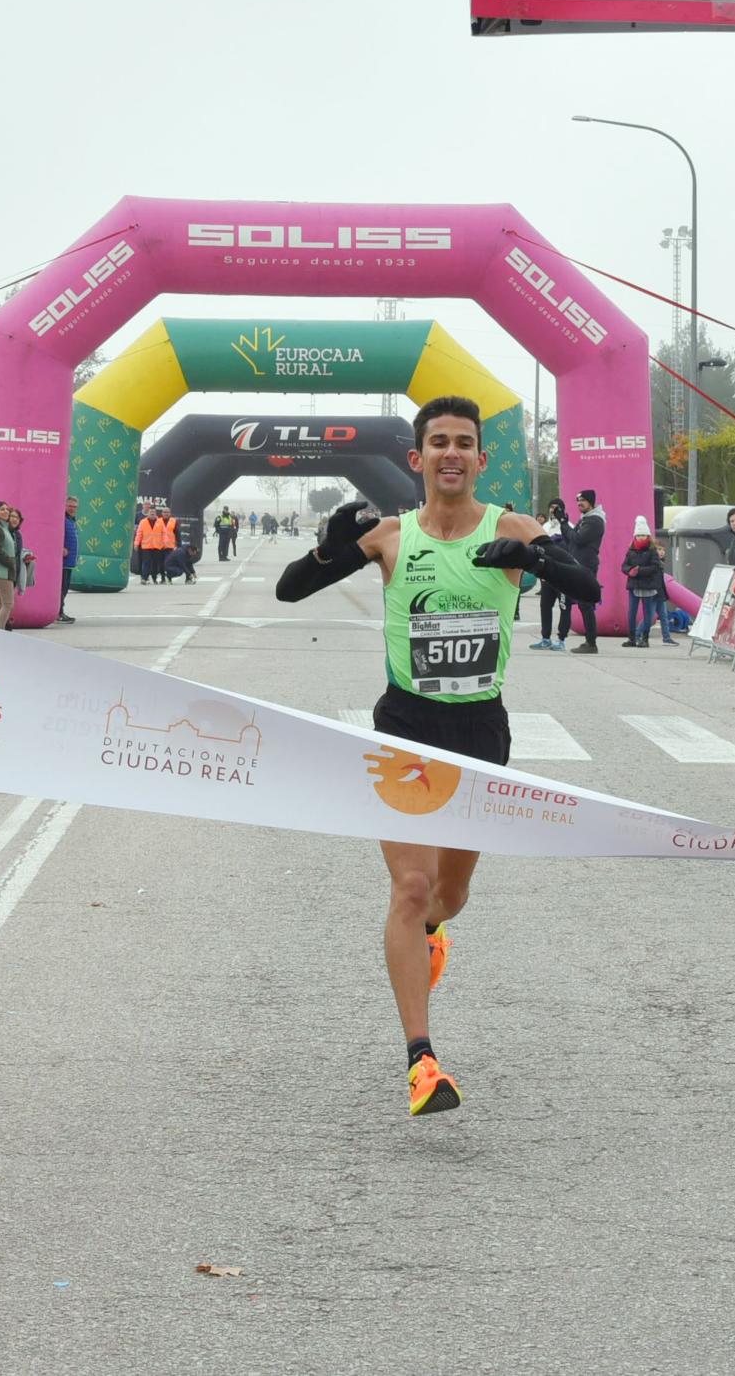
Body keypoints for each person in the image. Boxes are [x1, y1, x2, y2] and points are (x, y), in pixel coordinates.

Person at [274, 396, 598, 1117]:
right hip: (405, 730)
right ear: (416, 459)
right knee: (412, 886)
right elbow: (289, 589)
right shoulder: (390, 536)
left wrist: (534, 556)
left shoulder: (513, 525)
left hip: (481, 734)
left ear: (481, 459)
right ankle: (422, 1061)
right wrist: (329, 547)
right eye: (438, 442)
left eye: (464, 442)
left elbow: (590, 588)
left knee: (449, 896)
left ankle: (432, 935)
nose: (451, 452)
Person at [565, 487, 607, 654]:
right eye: (577, 501)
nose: (579, 504)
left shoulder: (594, 521)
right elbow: (572, 540)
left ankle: (591, 643)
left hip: (586, 565)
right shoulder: (585, 519)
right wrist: (563, 522)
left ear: (591, 502)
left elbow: (578, 539)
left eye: (582, 500)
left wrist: (566, 527)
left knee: (586, 604)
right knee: (583, 604)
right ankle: (590, 641)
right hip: (580, 564)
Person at [527, 500, 571, 650]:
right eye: (551, 507)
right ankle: (545, 638)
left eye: (556, 508)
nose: (553, 511)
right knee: (545, 606)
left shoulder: (568, 527)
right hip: (547, 575)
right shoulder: (544, 527)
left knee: (564, 607)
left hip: (564, 576)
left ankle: (562, 640)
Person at [621, 516, 668, 646]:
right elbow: (624, 565)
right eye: (638, 535)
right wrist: (629, 570)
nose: (641, 537)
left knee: (648, 613)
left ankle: (645, 638)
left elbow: (655, 566)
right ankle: (631, 638)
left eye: (643, 535)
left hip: (648, 585)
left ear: (647, 536)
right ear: (635, 536)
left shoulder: (652, 550)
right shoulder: (630, 550)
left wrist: (639, 570)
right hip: (634, 585)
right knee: (632, 612)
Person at [58, 495, 82, 623]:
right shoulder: (62, 519)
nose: (72, 509)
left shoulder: (71, 521)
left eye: (75, 507)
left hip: (69, 562)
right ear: (65, 506)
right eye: (70, 506)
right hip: (62, 562)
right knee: (61, 588)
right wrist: (60, 548)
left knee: (65, 587)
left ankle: (60, 611)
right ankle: (58, 612)